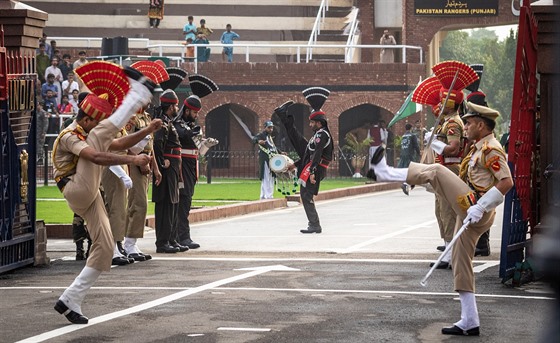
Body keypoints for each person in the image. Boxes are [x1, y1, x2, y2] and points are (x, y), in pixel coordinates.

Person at [367, 101, 513, 337]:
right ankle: (470, 320)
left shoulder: (491, 149)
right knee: (460, 260)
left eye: (468, 123)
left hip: (475, 205)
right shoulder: (478, 147)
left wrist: (481, 206)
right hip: (470, 207)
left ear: (480, 124)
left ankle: (385, 173)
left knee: (436, 171)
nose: (465, 126)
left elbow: (506, 182)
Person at [52, 63, 159, 324]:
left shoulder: (91, 133)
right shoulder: (70, 135)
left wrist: (146, 131)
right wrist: (134, 162)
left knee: (104, 246)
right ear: (87, 119)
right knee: (100, 138)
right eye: (97, 122)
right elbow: (97, 156)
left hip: (88, 192)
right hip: (76, 189)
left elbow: (120, 143)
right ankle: (136, 96)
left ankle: (70, 299)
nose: (100, 126)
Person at [275, 87, 334, 234]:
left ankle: (314, 225)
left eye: (312, 122)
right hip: (311, 164)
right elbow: (308, 155)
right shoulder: (318, 134)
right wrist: (294, 164)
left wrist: (312, 172)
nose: (310, 125)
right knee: (295, 137)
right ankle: (283, 115)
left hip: (316, 167)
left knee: (306, 195)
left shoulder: (323, 135)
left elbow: (317, 154)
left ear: (319, 123)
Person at [173, 74, 218, 249]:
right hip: (182, 166)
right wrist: (189, 134)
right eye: (193, 112)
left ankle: (182, 235)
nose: (195, 115)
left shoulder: (191, 127)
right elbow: (180, 135)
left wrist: (206, 145)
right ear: (185, 111)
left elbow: (198, 151)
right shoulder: (179, 125)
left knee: (187, 201)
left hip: (191, 165)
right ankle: (182, 236)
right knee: (182, 201)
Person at [124, 105, 161, 260]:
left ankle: (132, 242)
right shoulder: (131, 118)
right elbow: (126, 143)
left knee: (141, 204)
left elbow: (150, 147)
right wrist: (141, 162)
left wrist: (156, 168)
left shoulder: (146, 117)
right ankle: (128, 244)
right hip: (135, 162)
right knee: (137, 204)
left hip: (145, 160)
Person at [152, 89, 186, 253]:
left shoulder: (168, 121)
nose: (177, 109)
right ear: (170, 106)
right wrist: (160, 162)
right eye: (175, 106)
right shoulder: (161, 122)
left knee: (173, 203)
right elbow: (157, 143)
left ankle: (172, 238)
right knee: (165, 204)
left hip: (173, 166)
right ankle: (163, 242)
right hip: (166, 168)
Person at [253, 121, 280, 199]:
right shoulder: (261, 135)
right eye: (269, 127)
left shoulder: (270, 137)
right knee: (266, 177)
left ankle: (264, 195)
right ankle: (268, 195)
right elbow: (254, 139)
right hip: (265, 159)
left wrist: (281, 152)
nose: (271, 129)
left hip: (271, 159)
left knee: (270, 177)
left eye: (271, 127)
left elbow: (273, 147)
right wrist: (258, 141)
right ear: (265, 127)